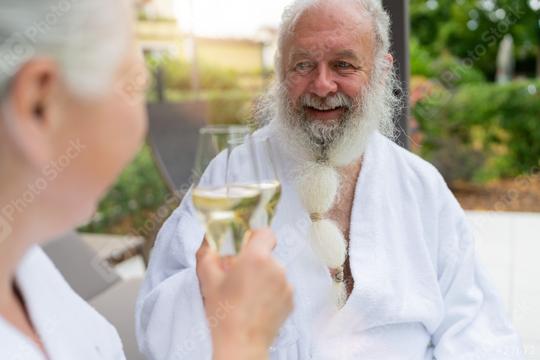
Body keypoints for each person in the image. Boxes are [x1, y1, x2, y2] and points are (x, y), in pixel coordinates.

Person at [136, 0, 524, 359]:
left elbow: (475, 329)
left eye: (344, 64)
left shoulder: (419, 185)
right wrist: (210, 287)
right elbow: (164, 325)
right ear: (280, 70)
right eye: (303, 64)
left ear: (382, 71)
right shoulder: (237, 176)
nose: (322, 85)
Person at [0, 1, 292, 359]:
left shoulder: (27, 268)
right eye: (133, 84)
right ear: (39, 104)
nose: (142, 124)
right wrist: (242, 341)